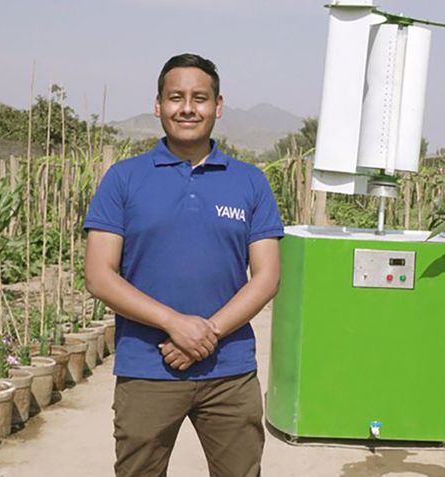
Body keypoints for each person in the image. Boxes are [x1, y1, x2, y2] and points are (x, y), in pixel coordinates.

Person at [83, 53, 283, 477]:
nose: (187, 108)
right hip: (147, 367)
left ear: (218, 106)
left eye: (200, 98)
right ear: (158, 105)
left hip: (229, 371)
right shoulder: (124, 178)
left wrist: (206, 332)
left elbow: (266, 278)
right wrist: (175, 323)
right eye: (176, 97)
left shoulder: (250, 181)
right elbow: (99, 275)